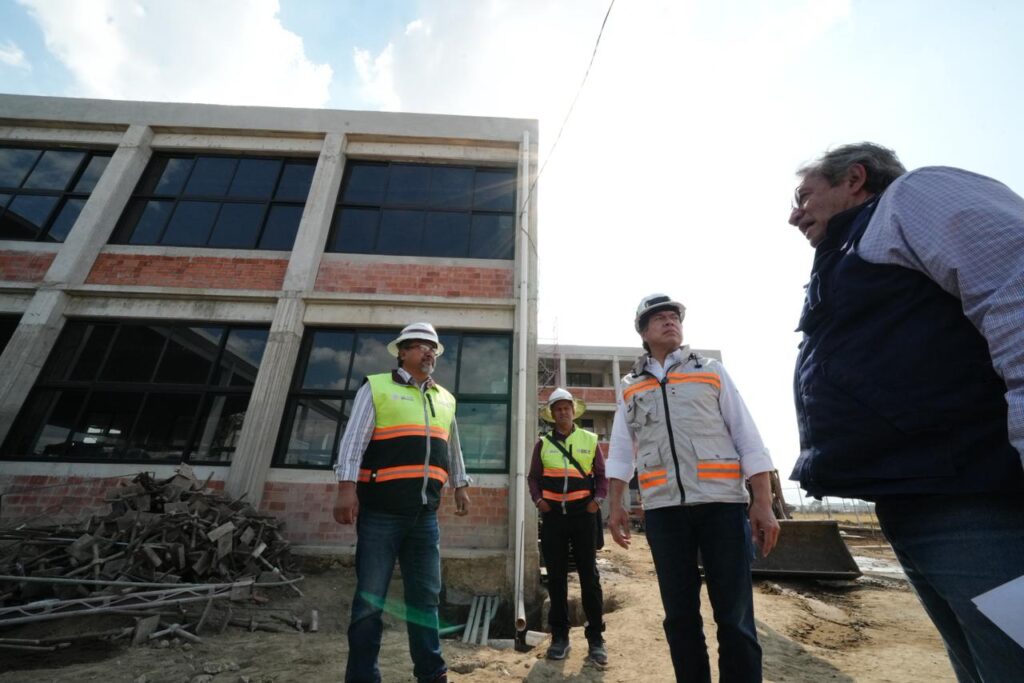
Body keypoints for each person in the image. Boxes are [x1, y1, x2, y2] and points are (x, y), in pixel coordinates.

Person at [787, 142, 1024, 682]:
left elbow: (1016, 286)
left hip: (979, 504)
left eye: (804, 195)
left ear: (854, 178)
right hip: (919, 501)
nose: (794, 213)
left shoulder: (914, 197)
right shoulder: (849, 252)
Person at [606, 294, 780, 683]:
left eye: (674, 316)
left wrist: (762, 503)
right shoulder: (630, 386)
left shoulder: (711, 371)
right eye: (660, 317)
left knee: (734, 616)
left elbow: (747, 437)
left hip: (721, 507)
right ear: (643, 331)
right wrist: (616, 503)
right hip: (664, 513)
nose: (670, 321)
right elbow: (621, 449)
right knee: (680, 616)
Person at [333, 322, 471, 683]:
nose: (430, 353)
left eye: (434, 348)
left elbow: (450, 445)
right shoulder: (377, 387)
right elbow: (353, 442)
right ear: (403, 352)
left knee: (426, 598)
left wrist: (460, 484)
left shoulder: (444, 397)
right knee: (370, 601)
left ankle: (432, 672)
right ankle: (363, 677)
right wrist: (346, 488)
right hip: (380, 513)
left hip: (425, 516)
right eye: (422, 346)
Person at [527, 387, 609, 665]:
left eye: (566, 408)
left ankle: (596, 638)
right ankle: (560, 637)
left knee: (589, 576)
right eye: (557, 409)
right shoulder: (543, 443)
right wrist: (539, 501)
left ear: (573, 411)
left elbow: (602, 476)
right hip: (553, 519)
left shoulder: (590, 439)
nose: (562, 412)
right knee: (557, 578)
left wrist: (596, 501)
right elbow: (533, 478)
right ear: (551, 414)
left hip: (583, 516)